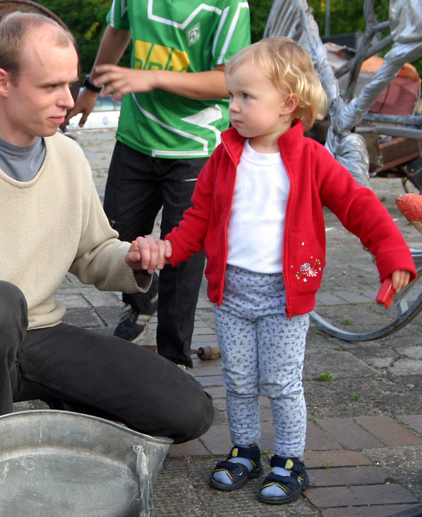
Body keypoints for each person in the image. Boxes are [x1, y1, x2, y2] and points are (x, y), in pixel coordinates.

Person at [0, 12, 215, 443]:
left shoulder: (68, 157)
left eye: (70, 83)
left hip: (38, 336)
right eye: (50, 87)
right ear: (2, 83)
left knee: (188, 411)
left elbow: (94, 253)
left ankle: (66, 415)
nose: (69, 99)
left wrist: (132, 258)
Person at [162, 38, 417, 504]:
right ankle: (244, 451)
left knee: (281, 382)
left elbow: (359, 206)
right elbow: (198, 217)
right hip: (231, 292)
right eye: (231, 96)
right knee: (238, 378)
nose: (232, 107)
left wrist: (392, 254)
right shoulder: (225, 156)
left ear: (287, 103)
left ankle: (289, 460)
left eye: (245, 97)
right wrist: (166, 250)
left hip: (284, 295)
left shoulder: (312, 159)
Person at [65, 1, 251, 368]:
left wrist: (152, 77)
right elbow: (118, 31)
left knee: (181, 258)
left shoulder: (229, 5)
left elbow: (229, 81)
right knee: (114, 237)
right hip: (135, 139)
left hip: (195, 147)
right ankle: (139, 302)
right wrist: (90, 85)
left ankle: (174, 359)